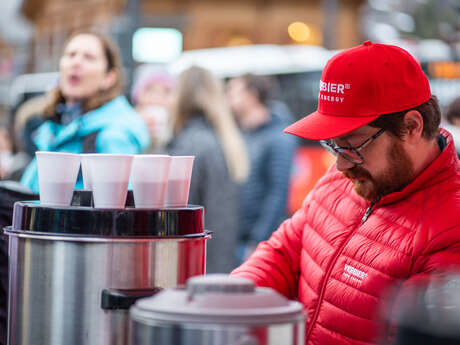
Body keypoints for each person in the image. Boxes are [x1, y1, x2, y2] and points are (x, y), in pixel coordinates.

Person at [231, 41, 460, 345]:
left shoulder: (450, 229)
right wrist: (227, 304)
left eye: (352, 144)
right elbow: (283, 253)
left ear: (412, 127)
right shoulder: (343, 178)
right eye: (334, 145)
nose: (339, 164)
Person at [19, 31, 150, 193]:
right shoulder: (55, 125)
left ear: (109, 77)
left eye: (89, 57)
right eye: (71, 54)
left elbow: (118, 209)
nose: (76, 62)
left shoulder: (112, 136)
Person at [167, 66, 249, 273]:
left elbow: (179, 209)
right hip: (218, 259)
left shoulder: (191, 143)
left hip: (196, 265)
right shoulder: (224, 139)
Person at [227, 74, 298, 262]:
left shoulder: (279, 137)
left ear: (251, 96)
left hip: (254, 241)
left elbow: (278, 193)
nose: (229, 99)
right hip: (236, 236)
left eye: (233, 92)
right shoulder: (242, 133)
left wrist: (258, 240)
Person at [131, 66, 175, 152]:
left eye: (166, 91)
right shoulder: (126, 127)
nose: (157, 99)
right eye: (150, 90)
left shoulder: (183, 129)